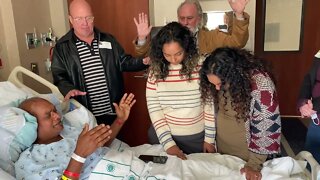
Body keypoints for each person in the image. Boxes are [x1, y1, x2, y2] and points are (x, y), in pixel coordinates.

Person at [51, 0, 148, 125]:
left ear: (93, 17)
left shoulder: (108, 39)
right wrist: (68, 89)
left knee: (116, 143)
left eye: (88, 18)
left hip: (113, 111)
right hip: (85, 115)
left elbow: (125, 62)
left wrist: (143, 48)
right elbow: (59, 75)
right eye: (79, 19)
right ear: (70, 19)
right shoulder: (62, 47)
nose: (85, 23)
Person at [199, 47, 281, 180]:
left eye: (220, 84)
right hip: (223, 150)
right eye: (214, 85)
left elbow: (266, 127)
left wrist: (254, 164)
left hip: (248, 156)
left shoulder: (261, 85)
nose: (217, 88)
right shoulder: (220, 78)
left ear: (233, 74)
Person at [15, 93, 136, 179]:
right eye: (48, 115)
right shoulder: (29, 161)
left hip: (126, 164)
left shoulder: (68, 131)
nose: (57, 116)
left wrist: (120, 120)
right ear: (32, 124)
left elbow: (100, 146)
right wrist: (79, 155)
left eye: (55, 111)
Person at [146, 22, 215, 160]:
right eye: (167, 55)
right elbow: (155, 109)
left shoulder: (201, 66)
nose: (173, 59)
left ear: (186, 47)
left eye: (178, 53)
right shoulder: (155, 71)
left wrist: (210, 139)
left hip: (197, 137)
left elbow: (209, 104)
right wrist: (168, 144)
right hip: (166, 135)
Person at [133, 0, 249, 56]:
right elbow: (148, 54)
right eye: (181, 18)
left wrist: (239, 14)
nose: (185, 23)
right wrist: (142, 38)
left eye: (189, 18)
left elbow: (237, 42)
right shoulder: (168, 36)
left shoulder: (211, 37)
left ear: (199, 18)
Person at [297, 50, 320, 163]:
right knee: (311, 161)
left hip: (315, 110)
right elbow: (309, 78)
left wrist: (312, 107)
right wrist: (303, 102)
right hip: (317, 120)